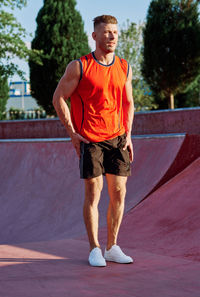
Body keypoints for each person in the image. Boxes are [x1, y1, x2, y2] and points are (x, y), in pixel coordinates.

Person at [53, 15, 134, 267]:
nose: (112, 36)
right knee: (94, 192)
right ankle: (94, 248)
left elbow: (128, 102)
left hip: (118, 137)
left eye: (115, 32)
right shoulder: (80, 66)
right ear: (95, 36)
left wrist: (129, 134)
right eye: (106, 32)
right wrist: (72, 132)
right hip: (91, 139)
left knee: (119, 192)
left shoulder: (124, 66)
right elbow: (58, 98)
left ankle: (112, 247)